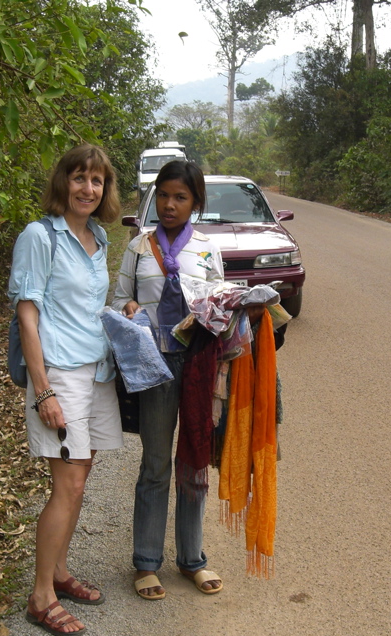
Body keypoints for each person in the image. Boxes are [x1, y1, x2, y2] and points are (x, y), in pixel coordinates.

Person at [8, 144, 123, 636]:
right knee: (67, 485)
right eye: (79, 178)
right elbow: (27, 315)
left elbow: (87, 309)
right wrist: (43, 391)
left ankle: (58, 572)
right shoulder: (40, 236)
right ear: (63, 182)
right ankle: (40, 597)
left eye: (97, 182)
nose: (88, 189)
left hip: (97, 373)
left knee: (82, 478)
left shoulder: (97, 237)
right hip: (59, 376)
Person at [112, 160, 226, 600]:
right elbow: (121, 298)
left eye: (180, 197)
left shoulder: (206, 248)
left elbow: (222, 300)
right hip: (155, 367)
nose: (170, 205)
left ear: (196, 203)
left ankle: (192, 559)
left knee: (195, 462)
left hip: (198, 368)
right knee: (156, 464)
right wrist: (129, 311)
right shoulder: (139, 247)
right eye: (163, 195)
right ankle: (145, 562)